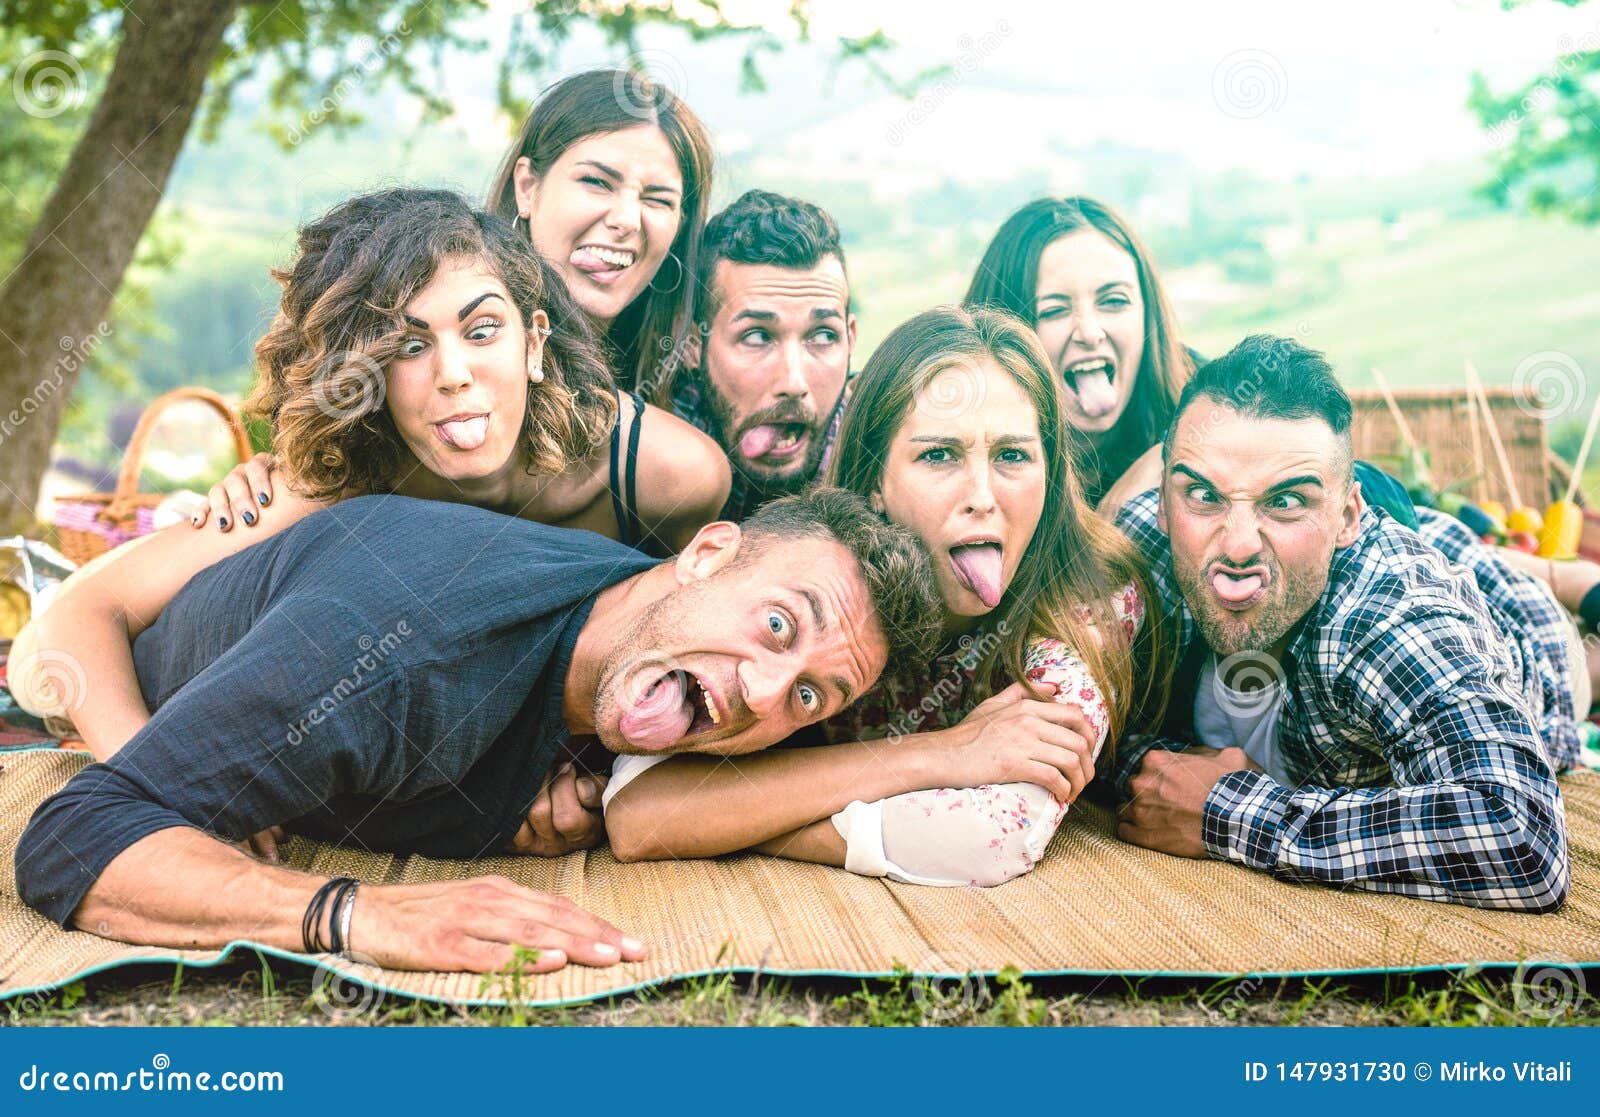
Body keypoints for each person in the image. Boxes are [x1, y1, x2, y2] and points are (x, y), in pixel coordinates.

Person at [14, 488, 942, 974]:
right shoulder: (395, 651)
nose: (764, 693)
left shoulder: (634, 619)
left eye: (811, 698)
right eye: (779, 624)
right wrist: (355, 912)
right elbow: (75, 839)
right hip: (109, 656)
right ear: (704, 552)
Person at [603, 305, 1167, 886]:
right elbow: (637, 807)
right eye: (939, 455)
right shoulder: (826, 583)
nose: (982, 495)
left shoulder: (1086, 606)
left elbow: (991, 838)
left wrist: (730, 820)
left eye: (1013, 456)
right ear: (874, 482)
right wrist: (943, 754)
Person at [1112, 334, 1577, 912]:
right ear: (1162, 500)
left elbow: (1523, 838)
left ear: (1346, 516)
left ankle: (1569, 584)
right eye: (1203, 494)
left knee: (1577, 651)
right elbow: (1066, 714)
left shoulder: (1383, 619)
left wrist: (1229, 812)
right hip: (1412, 536)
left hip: (1529, 632)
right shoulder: (1138, 553)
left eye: (1285, 502)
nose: (1235, 547)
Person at [189, 188, 728, 552]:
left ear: (533, 343)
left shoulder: (668, 476)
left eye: (483, 330)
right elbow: (103, 600)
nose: (453, 373)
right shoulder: (355, 475)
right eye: (408, 345)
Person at [489, 67, 713, 401]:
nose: (627, 221)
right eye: (596, 182)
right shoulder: (466, 360)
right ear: (528, 187)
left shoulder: (689, 388)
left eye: (657, 199)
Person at [964, 196, 1197, 509]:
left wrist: (1172, 450)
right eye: (1054, 311)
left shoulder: (1205, 402)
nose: (1090, 332)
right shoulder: (971, 477)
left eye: (1114, 301)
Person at [670, 189, 856, 520]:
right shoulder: (643, 462)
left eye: (824, 335)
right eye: (757, 337)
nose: (794, 382)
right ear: (690, 344)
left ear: (851, 340)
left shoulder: (882, 458)